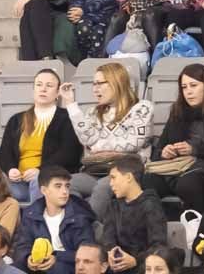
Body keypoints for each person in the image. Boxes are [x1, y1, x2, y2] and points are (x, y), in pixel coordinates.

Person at [58, 64, 154, 217]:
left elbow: (134, 142)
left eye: (100, 83)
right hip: (96, 170)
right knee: (63, 185)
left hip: (127, 172)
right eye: (93, 84)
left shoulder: (142, 108)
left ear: (117, 82)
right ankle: (76, 227)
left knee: (103, 187)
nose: (95, 89)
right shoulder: (93, 112)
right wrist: (71, 105)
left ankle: (89, 230)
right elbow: (87, 140)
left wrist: (99, 146)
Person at [140, 63, 204, 212]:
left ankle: (196, 228)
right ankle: (156, 228)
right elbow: (160, 148)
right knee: (147, 181)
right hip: (175, 167)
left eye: (193, 85)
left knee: (189, 183)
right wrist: (165, 152)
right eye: (184, 87)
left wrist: (194, 150)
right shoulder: (178, 111)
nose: (188, 92)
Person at [0, 70, 83, 204]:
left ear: (57, 93)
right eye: (39, 85)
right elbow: (5, 152)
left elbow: (69, 153)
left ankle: (36, 218)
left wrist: (40, 170)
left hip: (48, 176)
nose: (43, 89)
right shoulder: (16, 120)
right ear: (33, 89)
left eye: (49, 86)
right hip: (18, 179)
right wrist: (10, 169)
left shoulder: (66, 118)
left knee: (39, 184)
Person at [12, 167, 96, 274]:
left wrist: (57, 257)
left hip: (69, 266)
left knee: (56, 269)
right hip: (38, 266)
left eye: (67, 186)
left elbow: (87, 252)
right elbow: (22, 246)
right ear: (44, 190)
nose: (65, 191)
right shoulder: (31, 214)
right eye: (58, 186)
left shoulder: (79, 214)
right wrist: (28, 259)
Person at [98, 157, 166, 274]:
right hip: (117, 265)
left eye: (113, 178)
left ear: (129, 177)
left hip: (143, 266)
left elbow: (158, 245)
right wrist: (112, 252)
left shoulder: (150, 205)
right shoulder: (114, 206)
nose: (111, 184)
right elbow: (108, 237)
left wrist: (135, 260)